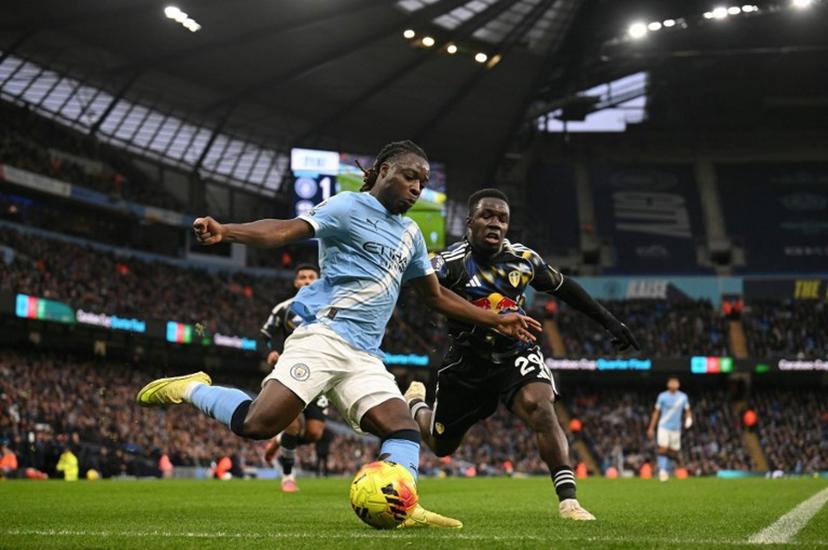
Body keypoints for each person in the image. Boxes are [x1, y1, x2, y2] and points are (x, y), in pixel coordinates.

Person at [136, 140, 541, 529]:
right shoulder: (347, 207)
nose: (417, 188)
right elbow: (283, 231)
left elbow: (435, 296)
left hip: (365, 355)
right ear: (384, 171)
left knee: (403, 427)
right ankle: (191, 389)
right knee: (256, 424)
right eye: (409, 177)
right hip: (324, 338)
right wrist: (228, 231)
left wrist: (495, 319)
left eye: (423, 181)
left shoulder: (411, 234)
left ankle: (404, 502)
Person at [404, 188, 639, 521]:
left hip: (516, 353)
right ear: (469, 222)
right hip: (467, 363)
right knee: (441, 446)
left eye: (502, 218)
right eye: (487, 216)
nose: (495, 223)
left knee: (540, 407)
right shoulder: (450, 261)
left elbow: (565, 287)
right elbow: (425, 287)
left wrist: (610, 322)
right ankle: (416, 403)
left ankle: (568, 501)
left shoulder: (524, 259)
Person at [260, 263, 329, 492]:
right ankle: (288, 476)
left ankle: (280, 442)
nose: (307, 280)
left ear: (318, 281)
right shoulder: (284, 308)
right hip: (291, 373)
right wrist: (268, 351)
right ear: (296, 282)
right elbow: (263, 336)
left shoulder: (330, 307)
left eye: (312, 277)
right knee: (291, 425)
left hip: (320, 376)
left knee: (314, 433)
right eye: (303, 277)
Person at [647, 377, 692, 481]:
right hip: (663, 426)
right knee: (662, 448)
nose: (673, 384)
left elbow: (687, 410)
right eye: (671, 382)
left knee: (673, 452)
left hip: (676, 428)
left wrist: (689, 418)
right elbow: (656, 412)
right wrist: (651, 428)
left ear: (678, 384)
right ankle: (662, 471)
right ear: (668, 384)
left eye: (675, 382)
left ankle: (670, 469)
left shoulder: (683, 397)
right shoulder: (662, 396)